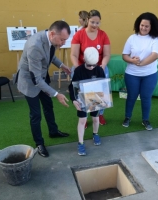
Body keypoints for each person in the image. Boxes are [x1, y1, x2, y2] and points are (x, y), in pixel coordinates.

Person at [17, 20, 71, 157]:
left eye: (66, 40)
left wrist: (62, 66)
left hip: (41, 77)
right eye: (62, 39)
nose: (64, 43)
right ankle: (39, 143)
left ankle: (53, 131)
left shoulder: (50, 38)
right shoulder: (35, 46)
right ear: (53, 34)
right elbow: (36, 79)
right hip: (30, 81)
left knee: (48, 106)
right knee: (36, 115)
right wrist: (56, 93)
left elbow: (50, 56)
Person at [121, 12, 158, 131]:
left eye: (146, 26)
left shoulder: (155, 39)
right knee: (131, 96)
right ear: (138, 24)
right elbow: (124, 55)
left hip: (150, 74)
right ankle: (127, 117)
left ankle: (145, 119)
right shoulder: (132, 38)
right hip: (132, 74)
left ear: (151, 27)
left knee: (146, 97)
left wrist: (141, 63)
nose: (143, 28)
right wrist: (132, 61)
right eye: (142, 25)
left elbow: (155, 55)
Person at [71, 9, 111, 127]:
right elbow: (74, 54)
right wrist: (79, 69)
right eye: (92, 22)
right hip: (83, 69)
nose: (95, 25)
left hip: (98, 69)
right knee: (82, 94)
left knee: (99, 94)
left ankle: (99, 114)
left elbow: (107, 54)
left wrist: (102, 66)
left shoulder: (103, 35)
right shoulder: (79, 34)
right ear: (87, 20)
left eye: (97, 23)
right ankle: (84, 116)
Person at [68, 47, 105, 156]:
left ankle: (95, 134)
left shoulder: (99, 69)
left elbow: (103, 85)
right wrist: (74, 100)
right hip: (82, 97)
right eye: (89, 65)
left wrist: (103, 97)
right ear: (84, 59)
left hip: (95, 97)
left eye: (94, 65)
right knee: (83, 120)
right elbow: (72, 87)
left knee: (95, 118)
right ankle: (80, 143)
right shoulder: (79, 70)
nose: (91, 67)